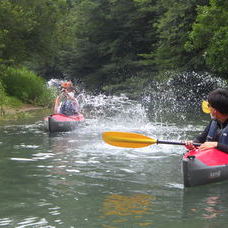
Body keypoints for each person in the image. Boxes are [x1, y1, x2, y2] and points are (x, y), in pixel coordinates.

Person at [186, 88, 228, 153]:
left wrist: (216, 145)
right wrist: (193, 144)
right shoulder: (215, 121)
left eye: (209, 106)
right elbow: (200, 139)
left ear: (214, 110)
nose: (207, 108)